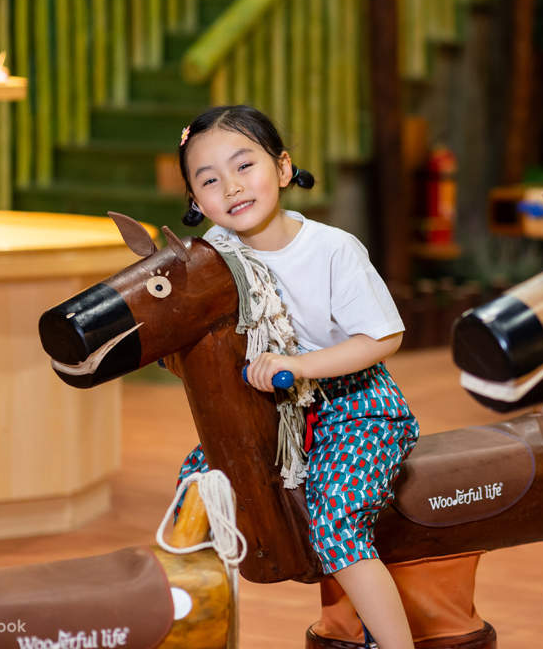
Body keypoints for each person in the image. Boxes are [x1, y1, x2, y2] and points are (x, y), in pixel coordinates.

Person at [175, 104, 419, 649]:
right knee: (194, 494)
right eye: (209, 180)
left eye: (245, 166)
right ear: (196, 201)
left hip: (355, 406)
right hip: (269, 411)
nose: (232, 188)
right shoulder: (211, 257)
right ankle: (197, 633)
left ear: (283, 169)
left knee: (333, 523)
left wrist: (300, 365)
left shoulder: (332, 249)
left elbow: (383, 337)